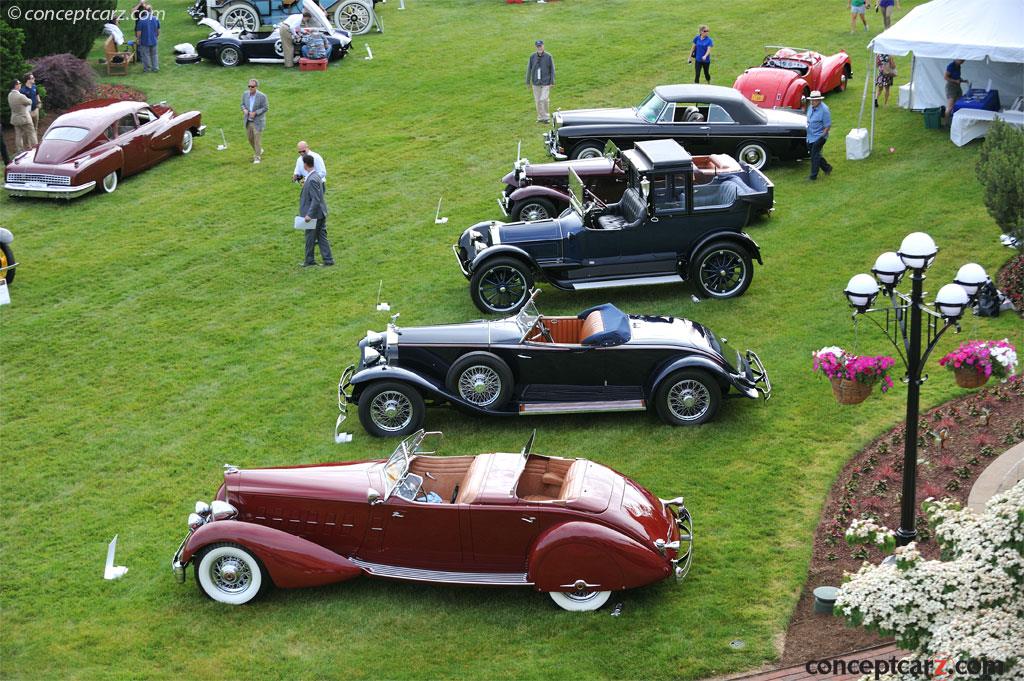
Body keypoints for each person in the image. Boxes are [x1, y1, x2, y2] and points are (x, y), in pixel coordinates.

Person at [298, 154, 334, 267]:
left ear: (305, 165)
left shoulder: (312, 179)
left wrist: (309, 215)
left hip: (315, 215)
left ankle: (309, 260)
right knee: (322, 237)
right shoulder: (316, 176)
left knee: (310, 237)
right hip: (320, 213)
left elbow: (315, 199)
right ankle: (328, 260)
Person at [526, 40, 555, 124]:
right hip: (536, 83)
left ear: (543, 46)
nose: (539, 48)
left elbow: (552, 69)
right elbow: (529, 69)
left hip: (546, 82)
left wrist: (552, 81)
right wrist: (528, 82)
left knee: (544, 99)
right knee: (538, 101)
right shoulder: (532, 57)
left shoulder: (549, 56)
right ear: (536, 47)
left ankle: (546, 117)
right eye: (538, 46)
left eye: (541, 46)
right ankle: (540, 118)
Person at [805, 91, 832, 181]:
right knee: (814, 153)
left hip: (819, 136)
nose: (812, 102)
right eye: (811, 100)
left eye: (815, 100)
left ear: (819, 100)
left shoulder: (824, 110)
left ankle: (813, 176)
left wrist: (820, 138)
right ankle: (827, 168)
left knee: (814, 156)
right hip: (810, 136)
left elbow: (827, 126)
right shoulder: (810, 107)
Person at [241, 79, 268, 163]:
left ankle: (257, 157)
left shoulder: (262, 96)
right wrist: (244, 109)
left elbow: (266, 107)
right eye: (249, 86)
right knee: (250, 139)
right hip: (248, 121)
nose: (250, 88)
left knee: (257, 140)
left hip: (258, 122)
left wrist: (256, 113)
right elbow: (242, 104)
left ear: (256, 87)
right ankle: (259, 150)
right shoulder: (245, 94)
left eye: (252, 86)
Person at [8, 80, 35, 154]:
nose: (20, 85)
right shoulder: (20, 96)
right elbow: (30, 102)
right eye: (19, 83)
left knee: (18, 135)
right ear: (16, 85)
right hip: (24, 118)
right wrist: (28, 99)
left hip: (15, 119)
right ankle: (36, 149)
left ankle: (19, 151)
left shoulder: (10, 95)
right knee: (31, 133)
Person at [135, 4, 160, 73]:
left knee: (145, 55)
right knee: (154, 55)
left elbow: (139, 32)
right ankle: (155, 68)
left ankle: (147, 69)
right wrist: (157, 37)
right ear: (151, 10)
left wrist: (138, 39)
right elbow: (158, 30)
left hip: (144, 41)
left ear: (145, 11)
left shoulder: (141, 20)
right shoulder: (155, 18)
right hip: (153, 40)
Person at [945, 59, 967, 124]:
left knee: (959, 103)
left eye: (963, 60)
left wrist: (962, 80)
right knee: (950, 106)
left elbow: (957, 77)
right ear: (956, 59)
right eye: (961, 60)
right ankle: (945, 123)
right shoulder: (951, 66)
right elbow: (946, 77)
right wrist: (955, 81)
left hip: (957, 86)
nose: (963, 61)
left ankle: (955, 121)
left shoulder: (959, 66)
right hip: (951, 87)